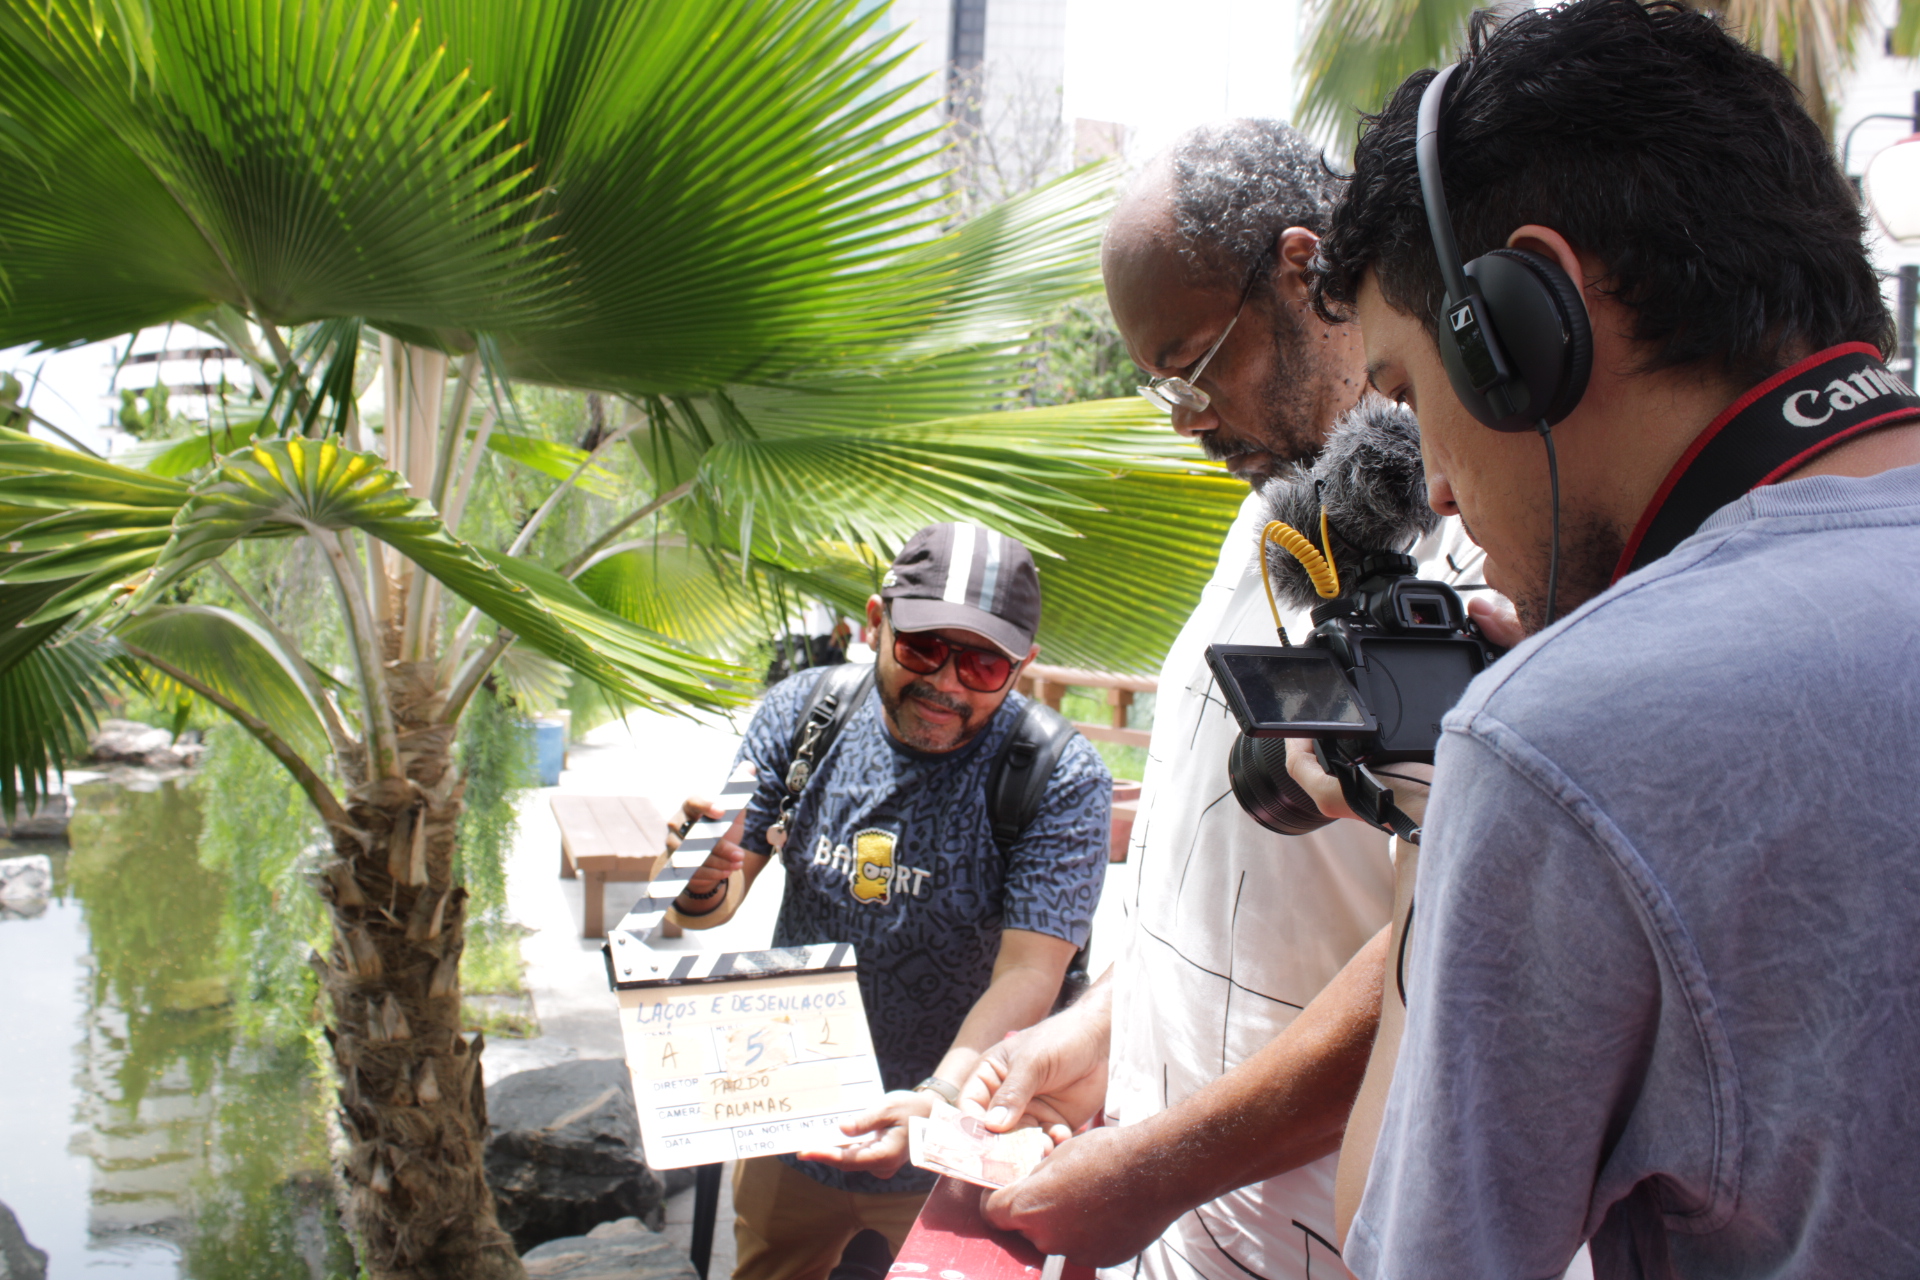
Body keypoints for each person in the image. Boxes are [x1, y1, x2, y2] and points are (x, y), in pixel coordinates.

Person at [1299, 1, 1920, 1274]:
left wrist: (1443, 810)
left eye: (1411, 393)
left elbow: (1413, 1250)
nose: (1438, 489)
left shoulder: (1562, 733)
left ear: (1527, 324)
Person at [959, 122, 1483, 1276]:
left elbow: (1449, 942)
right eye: (1163, 387)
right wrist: (1094, 1034)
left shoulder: (1478, 535)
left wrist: (1159, 1168)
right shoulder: (1270, 515)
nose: (1186, 417)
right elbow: (1219, 885)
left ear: (1303, 270)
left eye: (1193, 365)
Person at [667, 522, 1112, 1280]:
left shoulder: (1059, 775)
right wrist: (698, 872)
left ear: (1023, 665)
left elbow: (1029, 972)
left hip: (955, 1135)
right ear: (877, 622)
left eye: (983, 664)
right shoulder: (803, 713)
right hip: (792, 1109)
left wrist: (939, 1100)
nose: (948, 683)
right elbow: (706, 903)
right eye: (923, 648)